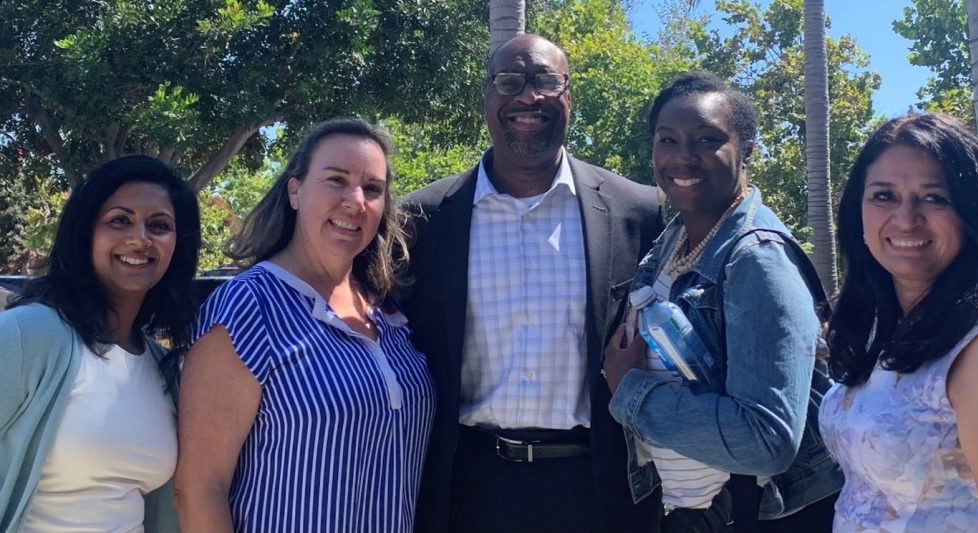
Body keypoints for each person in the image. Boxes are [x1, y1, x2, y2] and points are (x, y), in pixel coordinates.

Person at [401, 34, 664, 533]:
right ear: (486, 101)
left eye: (546, 81)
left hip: (598, 491)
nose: (528, 96)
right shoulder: (423, 219)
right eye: (510, 82)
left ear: (568, 97)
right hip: (467, 491)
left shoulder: (638, 212)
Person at [601, 71, 843, 533]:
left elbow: (766, 439)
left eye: (707, 139)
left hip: (762, 514)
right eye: (667, 139)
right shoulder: (671, 242)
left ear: (747, 150)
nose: (683, 157)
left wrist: (630, 391)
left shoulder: (756, 258)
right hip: (703, 513)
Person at [174, 118, 434, 533]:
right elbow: (199, 488)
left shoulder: (390, 314)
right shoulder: (247, 307)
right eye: (336, 179)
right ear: (295, 191)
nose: (355, 200)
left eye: (372, 189)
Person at [820, 113, 978, 532]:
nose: (906, 218)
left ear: (973, 213)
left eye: (934, 198)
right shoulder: (883, 323)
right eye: (884, 196)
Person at [0, 155, 200, 532]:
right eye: (119, 220)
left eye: (159, 225)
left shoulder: (162, 367)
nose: (139, 239)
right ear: (86, 232)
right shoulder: (30, 335)